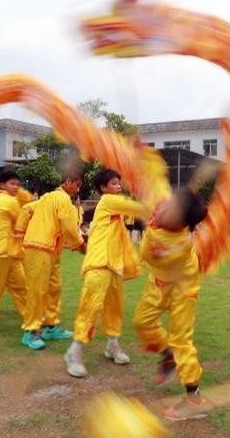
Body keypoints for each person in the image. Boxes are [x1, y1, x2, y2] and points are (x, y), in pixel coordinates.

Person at [133, 186, 211, 420]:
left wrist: (148, 222)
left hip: (182, 285)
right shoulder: (165, 215)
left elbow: (146, 254)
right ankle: (166, 355)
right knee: (141, 322)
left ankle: (194, 398)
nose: (167, 208)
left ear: (182, 224)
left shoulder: (176, 245)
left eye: (174, 210)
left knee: (180, 340)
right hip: (160, 281)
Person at [65, 169, 147, 379]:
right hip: (99, 264)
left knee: (114, 308)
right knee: (91, 307)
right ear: (103, 188)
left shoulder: (115, 208)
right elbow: (137, 208)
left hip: (114, 265)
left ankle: (112, 345)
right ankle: (74, 352)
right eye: (113, 183)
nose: (118, 185)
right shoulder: (108, 201)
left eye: (119, 182)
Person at [19, 171, 86, 350]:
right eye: (76, 185)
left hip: (49, 248)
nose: (77, 189)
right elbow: (70, 227)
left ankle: (51, 325)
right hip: (40, 247)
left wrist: (20, 232)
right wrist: (81, 244)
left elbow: (26, 209)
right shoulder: (62, 199)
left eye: (79, 186)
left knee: (53, 288)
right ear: (67, 180)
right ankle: (30, 331)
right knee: (38, 289)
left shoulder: (48, 197)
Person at [0, 172, 34, 332]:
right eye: (12, 184)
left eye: (18, 184)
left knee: (21, 286)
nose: (16, 187)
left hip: (9, 252)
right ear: (2, 186)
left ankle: (30, 317)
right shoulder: (9, 201)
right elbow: (26, 213)